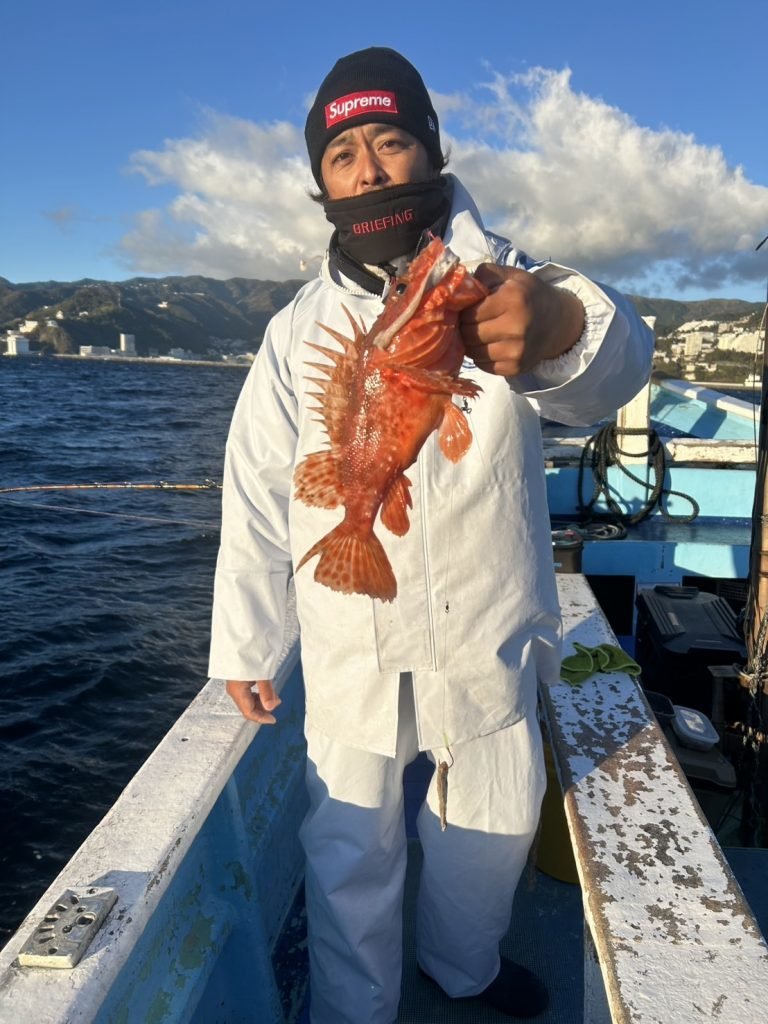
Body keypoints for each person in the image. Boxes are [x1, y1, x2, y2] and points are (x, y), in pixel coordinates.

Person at [209, 46, 653, 1024]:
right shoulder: (294, 329)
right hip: (349, 631)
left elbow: (617, 362)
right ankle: (353, 1011)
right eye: (343, 155)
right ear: (323, 182)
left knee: (490, 826)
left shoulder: (506, 280)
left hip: (485, 624)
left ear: (431, 149)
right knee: (349, 845)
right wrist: (246, 639)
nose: (368, 170)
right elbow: (258, 486)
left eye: (391, 141)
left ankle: (465, 967)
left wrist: (557, 329)